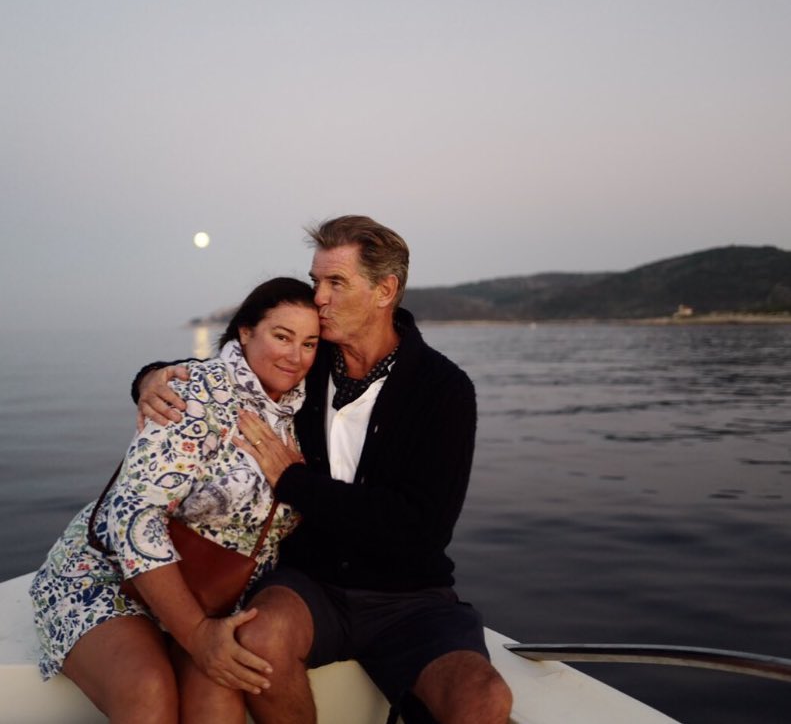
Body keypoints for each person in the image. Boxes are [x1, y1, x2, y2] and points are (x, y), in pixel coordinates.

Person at [136, 216, 513, 724]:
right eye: (316, 281)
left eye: (336, 282)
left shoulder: (443, 390)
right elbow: (223, 374)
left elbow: (420, 529)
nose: (319, 298)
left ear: (385, 291)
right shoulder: (305, 362)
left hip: (410, 597)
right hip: (308, 583)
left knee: (482, 698)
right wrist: (149, 378)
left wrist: (295, 483)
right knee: (260, 642)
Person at [29, 277, 320, 724]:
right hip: (110, 576)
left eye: (310, 343)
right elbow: (132, 515)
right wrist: (198, 634)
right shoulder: (195, 390)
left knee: (218, 701)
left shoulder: (305, 412)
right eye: (282, 336)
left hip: (213, 591)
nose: (296, 356)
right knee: (148, 693)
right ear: (245, 331)